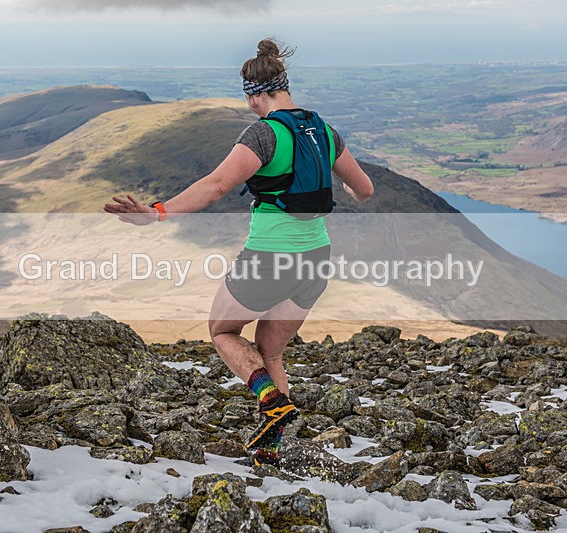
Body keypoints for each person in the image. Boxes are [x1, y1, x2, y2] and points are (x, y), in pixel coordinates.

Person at [104, 38, 374, 466]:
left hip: (269, 258)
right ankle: (270, 450)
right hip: (316, 260)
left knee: (222, 331)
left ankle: (270, 399)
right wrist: (345, 187)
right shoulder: (324, 131)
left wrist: (157, 212)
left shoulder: (264, 133)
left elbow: (216, 186)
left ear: (252, 97)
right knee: (271, 352)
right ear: (285, 85)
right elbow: (365, 189)